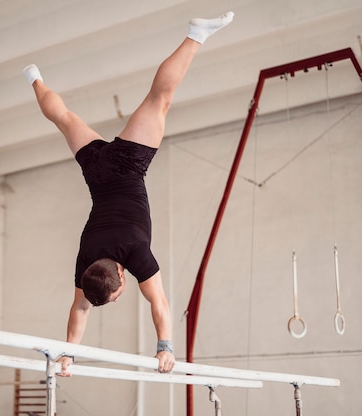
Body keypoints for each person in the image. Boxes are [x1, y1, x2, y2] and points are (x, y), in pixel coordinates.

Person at [22, 12, 234, 375]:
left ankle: (195, 35)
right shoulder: (87, 261)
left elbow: (160, 302)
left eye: (120, 294)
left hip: (126, 165)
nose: (123, 295)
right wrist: (67, 353)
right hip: (97, 170)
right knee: (65, 119)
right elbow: (79, 307)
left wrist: (165, 348)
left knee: (160, 99)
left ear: (122, 277)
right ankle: (34, 79)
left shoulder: (136, 254)